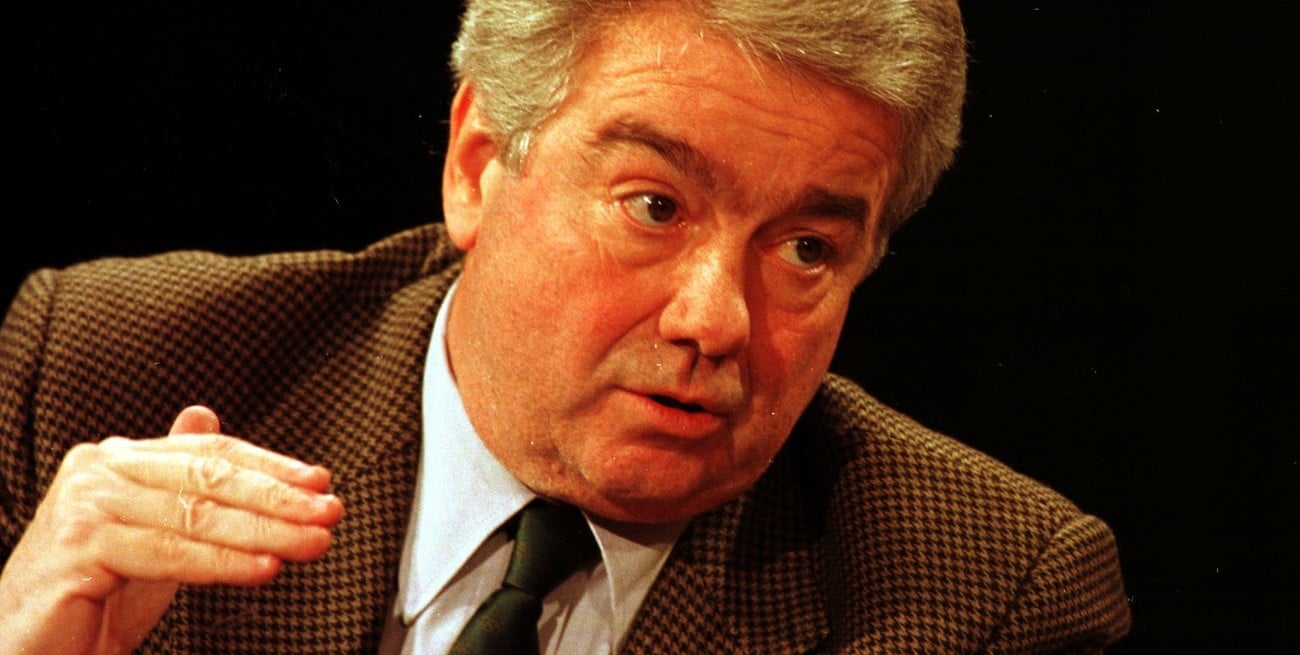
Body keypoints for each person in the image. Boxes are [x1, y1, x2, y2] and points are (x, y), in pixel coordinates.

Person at [0, 0, 1131, 653]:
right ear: (479, 165)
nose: (714, 321)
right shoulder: (94, 369)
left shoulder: (983, 599)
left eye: (804, 250)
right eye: (655, 207)